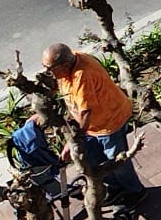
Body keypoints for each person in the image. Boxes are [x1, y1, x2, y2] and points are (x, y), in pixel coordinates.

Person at [41, 42, 145, 209]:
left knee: (116, 161)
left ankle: (135, 191)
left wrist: (72, 141)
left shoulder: (83, 75)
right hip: (93, 125)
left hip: (109, 121)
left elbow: (85, 113)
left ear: (65, 65)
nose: (47, 72)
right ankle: (115, 187)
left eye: (50, 68)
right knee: (96, 158)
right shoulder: (70, 59)